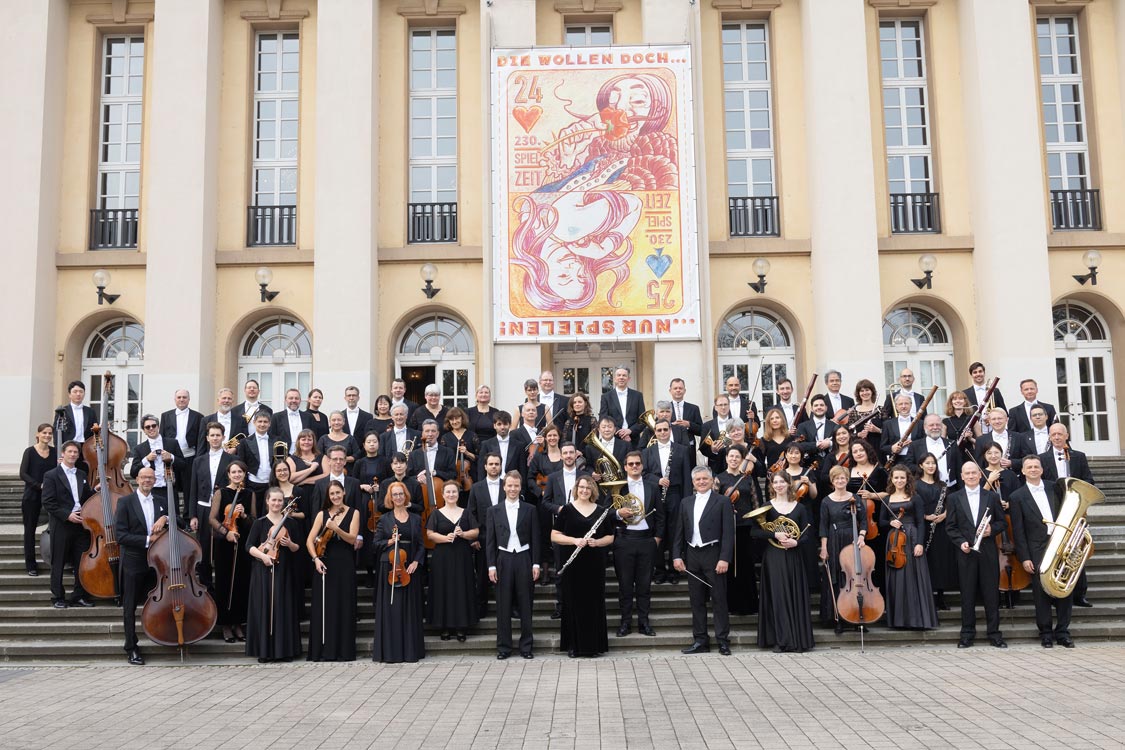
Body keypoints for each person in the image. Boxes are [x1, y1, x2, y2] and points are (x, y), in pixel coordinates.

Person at [1010, 455, 1074, 648]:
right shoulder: (1017, 496)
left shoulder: (1055, 487)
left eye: (1036, 466)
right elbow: (1018, 532)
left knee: (1064, 589)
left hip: (1060, 545)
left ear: (1042, 469)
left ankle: (1062, 632)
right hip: (1036, 548)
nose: (1033, 470)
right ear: (1022, 471)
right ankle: (1045, 632)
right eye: (1028, 467)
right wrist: (1024, 558)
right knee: (1041, 592)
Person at [672, 467, 734, 655]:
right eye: (697, 479)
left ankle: (722, 640)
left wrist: (724, 558)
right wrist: (676, 555)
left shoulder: (722, 501)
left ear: (712, 480)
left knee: (719, 599)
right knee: (696, 600)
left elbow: (728, 534)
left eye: (704, 478)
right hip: (693, 555)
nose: (701, 482)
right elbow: (679, 532)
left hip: (714, 554)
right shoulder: (686, 502)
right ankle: (700, 640)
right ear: (693, 482)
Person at [945, 461, 1007, 648]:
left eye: (974, 473)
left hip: (987, 551)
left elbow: (1002, 523)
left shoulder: (992, 497)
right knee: (967, 595)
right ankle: (967, 634)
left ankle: (994, 634)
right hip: (966, 553)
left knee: (991, 595)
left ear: (980, 475)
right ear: (962, 476)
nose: (971, 476)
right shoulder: (954, 498)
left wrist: (991, 530)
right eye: (967, 473)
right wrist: (960, 542)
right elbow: (951, 527)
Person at [753, 472, 815, 653]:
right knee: (778, 598)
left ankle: (797, 640)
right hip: (774, 557)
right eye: (775, 482)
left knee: (795, 596)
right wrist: (774, 534)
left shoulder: (800, 508)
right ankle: (781, 640)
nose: (779, 485)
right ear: (771, 486)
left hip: (794, 555)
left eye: (782, 482)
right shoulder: (766, 507)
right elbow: (754, 533)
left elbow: (807, 535)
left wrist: (796, 542)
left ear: (789, 484)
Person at [113, 467, 170, 665]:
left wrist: (166, 518)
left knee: (159, 601)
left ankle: (162, 636)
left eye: (151, 478)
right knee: (129, 606)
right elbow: (120, 535)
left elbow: (179, 521)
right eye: (144, 477)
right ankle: (131, 647)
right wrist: (148, 539)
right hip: (134, 561)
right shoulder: (125, 502)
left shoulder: (162, 501)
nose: (147, 480)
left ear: (155, 481)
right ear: (137, 479)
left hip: (158, 562)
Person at [552, 475, 613, 657]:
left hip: (594, 564)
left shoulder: (601, 511)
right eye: (581, 487)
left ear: (593, 490)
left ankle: (593, 646)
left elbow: (610, 537)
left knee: (594, 603)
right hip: (572, 563)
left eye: (588, 488)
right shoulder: (567, 510)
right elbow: (554, 535)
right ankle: (574, 646)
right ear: (576, 489)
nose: (584, 490)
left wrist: (598, 542)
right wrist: (574, 540)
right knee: (572, 603)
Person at [1038, 421, 1095, 607]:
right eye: (1053, 434)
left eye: (1060, 434)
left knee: (1076, 550)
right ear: (1049, 437)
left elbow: (1088, 479)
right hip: (1054, 509)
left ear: (1066, 436)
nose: (1056, 437)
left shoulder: (1079, 456)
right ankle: (1055, 589)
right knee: (1058, 550)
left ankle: (1080, 594)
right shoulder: (1042, 458)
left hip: (1075, 509)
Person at [245, 486, 302, 663]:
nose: (277, 503)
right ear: (267, 501)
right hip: (262, 570)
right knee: (265, 608)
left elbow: (297, 548)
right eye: (274, 500)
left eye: (280, 500)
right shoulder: (259, 523)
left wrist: (290, 543)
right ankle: (265, 651)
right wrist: (263, 556)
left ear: (283, 503)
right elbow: (249, 546)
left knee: (283, 608)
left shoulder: (291, 523)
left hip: (284, 571)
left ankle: (284, 651)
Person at [487, 472, 541, 659]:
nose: (512, 489)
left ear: (520, 487)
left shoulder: (530, 509)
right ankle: (504, 647)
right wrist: (491, 566)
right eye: (509, 485)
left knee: (526, 603)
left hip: (524, 557)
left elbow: (536, 538)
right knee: (503, 604)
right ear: (504, 487)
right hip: (503, 558)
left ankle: (526, 647)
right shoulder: (493, 511)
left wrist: (536, 563)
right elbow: (490, 541)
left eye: (516, 486)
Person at [372, 481, 425, 663]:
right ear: (390, 498)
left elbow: (420, 544)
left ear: (406, 496)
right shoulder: (384, 519)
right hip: (390, 567)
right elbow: (376, 544)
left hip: (409, 566)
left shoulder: (416, 519)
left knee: (409, 609)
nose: (398, 497)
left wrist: (417, 561)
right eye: (395, 495)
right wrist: (389, 541)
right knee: (392, 609)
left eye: (401, 494)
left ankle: (410, 651)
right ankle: (391, 652)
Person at [880, 465, 938, 630]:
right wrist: (891, 522)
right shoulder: (887, 498)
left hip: (911, 538)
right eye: (896, 477)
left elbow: (921, 522)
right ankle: (899, 620)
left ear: (907, 479)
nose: (899, 480)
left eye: (902, 478)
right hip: (894, 541)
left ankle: (917, 620)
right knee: (897, 577)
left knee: (914, 576)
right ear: (891, 479)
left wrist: (920, 543)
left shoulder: (915, 498)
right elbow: (881, 522)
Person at [307, 480, 359, 662]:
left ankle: (343, 651)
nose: (335, 496)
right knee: (325, 607)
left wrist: (336, 528)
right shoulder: (322, 515)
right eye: (332, 494)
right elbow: (310, 540)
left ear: (344, 493)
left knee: (344, 606)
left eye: (338, 493)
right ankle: (323, 651)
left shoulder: (354, 513)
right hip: (325, 564)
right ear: (328, 496)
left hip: (345, 564)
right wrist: (315, 559)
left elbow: (352, 540)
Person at [614, 451, 663, 636]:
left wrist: (656, 539)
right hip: (625, 541)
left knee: (644, 586)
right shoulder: (617, 487)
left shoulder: (652, 487)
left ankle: (644, 623)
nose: (634, 466)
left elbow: (660, 516)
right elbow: (606, 513)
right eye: (631, 464)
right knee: (625, 586)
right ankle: (625, 623)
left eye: (637, 463)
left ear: (642, 466)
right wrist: (619, 514)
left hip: (646, 541)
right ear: (625, 467)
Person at [41, 441, 95, 609]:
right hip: (62, 523)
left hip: (81, 523)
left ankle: (79, 595)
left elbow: (86, 496)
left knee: (82, 562)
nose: (73, 454)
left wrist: (96, 490)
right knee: (59, 561)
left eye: (75, 452)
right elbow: (48, 502)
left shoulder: (81, 474)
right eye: (70, 451)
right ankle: (58, 596)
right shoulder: (51, 475)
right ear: (63, 454)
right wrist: (67, 515)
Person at [426, 482, 480, 641]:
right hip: (442, 557)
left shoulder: (466, 512)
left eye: (454, 492)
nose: (451, 495)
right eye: (448, 492)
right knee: (444, 590)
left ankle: (461, 627)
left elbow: (476, 531)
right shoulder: (436, 514)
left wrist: (463, 534)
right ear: (443, 494)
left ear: (458, 494)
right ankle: (445, 627)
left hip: (462, 556)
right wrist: (444, 538)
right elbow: (429, 534)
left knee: (461, 589)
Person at [208, 460, 252, 643]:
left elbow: (254, 521)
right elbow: (212, 519)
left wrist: (244, 516)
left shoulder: (249, 494)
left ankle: (238, 624)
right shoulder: (221, 492)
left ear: (244, 474)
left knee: (241, 583)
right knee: (225, 583)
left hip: (242, 543)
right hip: (225, 543)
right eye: (233, 472)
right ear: (228, 474)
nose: (237, 475)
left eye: (240, 472)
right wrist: (226, 533)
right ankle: (226, 624)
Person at [643, 417, 692, 584]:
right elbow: (643, 475)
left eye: (665, 429)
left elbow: (687, 477)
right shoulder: (647, 452)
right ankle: (659, 570)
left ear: (670, 430)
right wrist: (657, 480)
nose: (662, 433)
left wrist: (686, 502)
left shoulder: (682, 450)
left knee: (674, 533)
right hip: (655, 496)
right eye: (659, 430)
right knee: (657, 532)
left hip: (675, 495)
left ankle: (673, 570)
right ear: (655, 432)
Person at [714, 445, 760, 617]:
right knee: (730, 565)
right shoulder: (719, 479)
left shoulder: (747, 479)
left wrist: (756, 523)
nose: (733, 459)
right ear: (726, 458)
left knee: (746, 566)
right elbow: (714, 504)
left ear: (741, 460)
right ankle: (731, 604)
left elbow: (755, 503)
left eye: (737, 457)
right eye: (731, 456)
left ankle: (748, 605)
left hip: (746, 527)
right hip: (727, 528)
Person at [819, 465, 864, 632]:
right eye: (837, 478)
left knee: (854, 578)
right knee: (837, 579)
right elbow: (823, 526)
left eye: (843, 478)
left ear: (847, 480)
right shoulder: (826, 501)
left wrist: (861, 536)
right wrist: (824, 548)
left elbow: (863, 520)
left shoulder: (854, 498)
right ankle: (839, 618)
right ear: (832, 481)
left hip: (851, 538)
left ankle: (857, 617)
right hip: (833, 539)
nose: (840, 481)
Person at [190, 422, 234, 589]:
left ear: (223, 437)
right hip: (203, 508)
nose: (215, 438)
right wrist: (193, 515)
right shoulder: (198, 461)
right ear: (207, 438)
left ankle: (223, 587)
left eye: (218, 435)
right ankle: (206, 587)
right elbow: (192, 488)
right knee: (204, 549)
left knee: (222, 547)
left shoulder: (232, 460)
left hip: (224, 510)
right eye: (212, 435)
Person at [916, 453, 956, 611]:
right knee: (928, 560)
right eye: (927, 463)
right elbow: (913, 504)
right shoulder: (916, 484)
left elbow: (950, 504)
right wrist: (926, 516)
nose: (931, 466)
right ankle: (927, 597)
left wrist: (944, 515)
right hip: (923, 526)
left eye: (933, 463)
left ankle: (941, 597)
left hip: (940, 526)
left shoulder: (942, 485)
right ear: (921, 466)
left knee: (941, 561)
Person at [469, 453, 505, 618]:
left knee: (505, 576)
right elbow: (471, 514)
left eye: (497, 464)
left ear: (501, 466)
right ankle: (480, 609)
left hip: (506, 539)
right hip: (483, 538)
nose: (494, 467)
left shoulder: (507, 485)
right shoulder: (476, 487)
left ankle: (507, 609)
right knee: (482, 576)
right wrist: (474, 538)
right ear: (485, 466)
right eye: (490, 464)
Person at [130, 415, 186, 519]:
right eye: (147, 427)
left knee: (174, 520)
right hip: (152, 491)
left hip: (169, 488)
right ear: (144, 430)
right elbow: (133, 472)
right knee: (154, 521)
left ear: (158, 427)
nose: (151, 428)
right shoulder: (140, 448)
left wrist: (172, 457)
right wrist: (146, 459)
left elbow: (183, 465)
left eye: (153, 425)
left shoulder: (172, 443)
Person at [19, 424, 55, 576]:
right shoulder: (30, 452)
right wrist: (39, 485)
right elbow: (23, 473)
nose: (47, 435)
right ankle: (31, 565)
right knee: (30, 530)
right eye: (44, 432)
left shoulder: (54, 452)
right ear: (38, 434)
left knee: (58, 529)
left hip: (51, 496)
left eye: (50, 433)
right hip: (32, 495)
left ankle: (57, 561)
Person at [159, 389, 202, 495]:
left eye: (184, 397)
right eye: (179, 397)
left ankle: (188, 512)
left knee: (189, 488)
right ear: (175, 399)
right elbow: (161, 436)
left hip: (190, 457)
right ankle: (174, 512)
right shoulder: (166, 416)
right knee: (172, 487)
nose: (181, 399)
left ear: (189, 399)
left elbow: (200, 439)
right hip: (171, 457)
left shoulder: (198, 416)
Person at [236, 411, 275, 515]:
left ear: (269, 423)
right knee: (253, 513)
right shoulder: (244, 442)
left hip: (271, 483)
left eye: (265, 422)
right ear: (254, 422)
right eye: (260, 421)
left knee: (269, 512)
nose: (262, 424)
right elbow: (241, 464)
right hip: (252, 483)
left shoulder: (276, 440)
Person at [599, 366, 647, 449]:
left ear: (629, 378)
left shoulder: (638, 396)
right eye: (619, 375)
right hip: (614, 440)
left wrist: (630, 431)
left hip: (634, 440)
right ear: (614, 378)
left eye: (624, 375)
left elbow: (643, 419)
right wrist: (621, 433)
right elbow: (603, 418)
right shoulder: (606, 397)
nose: (621, 377)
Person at [441, 407, 479, 493]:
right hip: (452, 475)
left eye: (457, 418)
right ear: (449, 421)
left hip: (470, 475)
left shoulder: (472, 435)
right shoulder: (445, 438)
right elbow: (443, 459)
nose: (454, 421)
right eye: (451, 419)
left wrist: (467, 453)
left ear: (462, 418)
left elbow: (479, 458)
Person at [881, 393, 923, 466]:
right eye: (900, 404)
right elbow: (882, 447)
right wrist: (892, 448)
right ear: (896, 406)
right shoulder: (888, 424)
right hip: (896, 461)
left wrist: (913, 444)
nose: (903, 406)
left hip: (915, 461)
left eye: (906, 403)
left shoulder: (920, 423)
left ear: (911, 405)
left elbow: (924, 443)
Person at [795, 395, 838, 461]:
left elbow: (840, 442)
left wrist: (830, 443)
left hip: (830, 463)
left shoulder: (834, 426)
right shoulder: (803, 426)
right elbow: (799, 445)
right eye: (816, 405)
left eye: (821, 405)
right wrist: (816, 444)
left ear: (826, 408)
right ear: (812, 409)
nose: (819, 407)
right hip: (809, 464)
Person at [270, 388, 314, 453]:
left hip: (304, 455)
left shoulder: (308, 417)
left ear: (300, 400)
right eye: (291, 398)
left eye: (296, 398)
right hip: (283, 456)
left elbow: (313, 437)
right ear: (285, 400)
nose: (294, 400)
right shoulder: (276, 417)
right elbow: (271, 437)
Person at [668, 378, 704, 452]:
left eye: (680, 388)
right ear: (670, 391)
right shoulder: (665, 408)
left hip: (689, 448)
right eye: (675, 388)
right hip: (669, 447)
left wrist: (689, 425)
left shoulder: (694, 408)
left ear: (684, 391)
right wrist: (671, 425)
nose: (678, 390)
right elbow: (657, 427)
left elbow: (701, 430)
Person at [199, 387, 237, 452]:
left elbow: (243, 440)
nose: (226, 401)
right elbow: (201, 444)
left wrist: (236, 449)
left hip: (233, 459)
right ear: (218, 400)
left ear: (232, 401)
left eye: (229, 398)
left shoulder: (241, 421)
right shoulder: (205, 421)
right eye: (224, 398)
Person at [847, 378, 884, 443]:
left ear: (872, 392)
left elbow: (888, 431)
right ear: (858, 394)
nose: (865, 393)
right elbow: (849, 433)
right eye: (862, 391)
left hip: (877, 445)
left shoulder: (880, 410)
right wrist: (858, 434)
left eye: (867, 390)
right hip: (860, 446)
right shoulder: (853, 412)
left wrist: (877, 430)